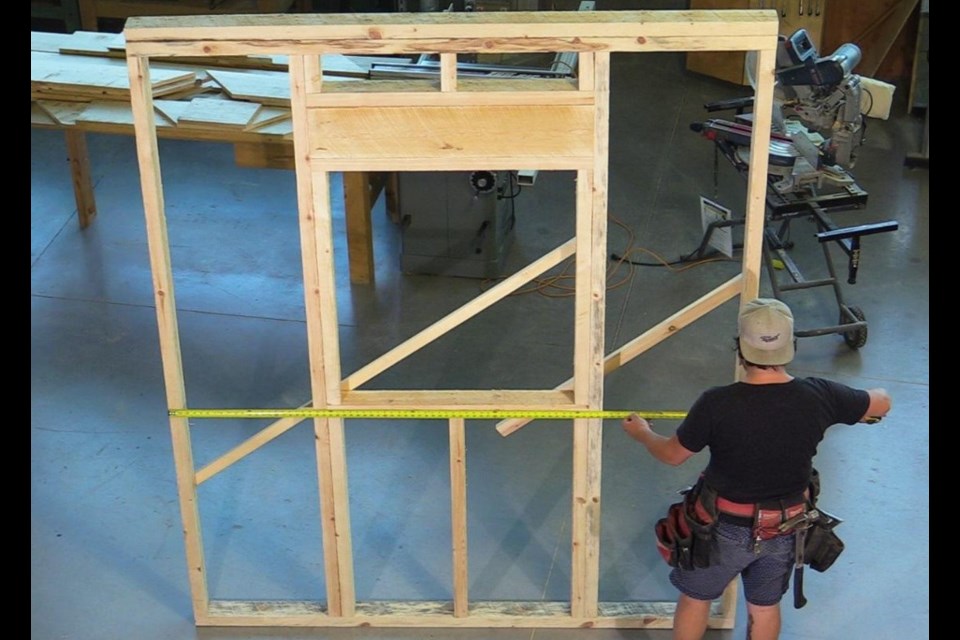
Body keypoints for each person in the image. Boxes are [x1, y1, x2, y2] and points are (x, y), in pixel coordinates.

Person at [621, 298, 891, 640]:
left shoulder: (716, 402)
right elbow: (882, 401)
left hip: (721, 530)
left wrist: (642, 433)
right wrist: (867, 406)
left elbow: (673, 454)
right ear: (791, 345)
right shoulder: (819, 395)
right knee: (764, 608)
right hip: (786, 528)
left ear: (739, 347)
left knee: (696, 597)